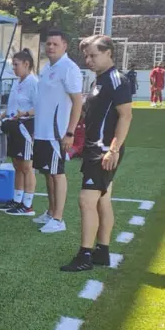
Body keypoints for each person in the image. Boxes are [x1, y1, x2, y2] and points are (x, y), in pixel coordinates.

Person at [61, 35, 133, 272]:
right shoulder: (99, 81)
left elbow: (125, 116)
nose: (88, 60)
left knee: (86, 201)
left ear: (108, 53)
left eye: (93, 55)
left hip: (103, 151)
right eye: (86, 56)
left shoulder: (117, 80)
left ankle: (84, 256)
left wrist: (112, 149)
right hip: (94, 149)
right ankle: (102, 251)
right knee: (103, 200)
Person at [32, 30, 85, 234]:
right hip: (42, 132)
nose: (50, 47)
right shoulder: (47, 68)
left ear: (65, 46)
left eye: (55, 44)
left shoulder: (69, 68)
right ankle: (50, 211)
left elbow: (77, 102)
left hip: (57, 133)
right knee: (48, 173)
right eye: (48, 44)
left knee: (57, 173)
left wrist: (70, 133)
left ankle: (58, 218)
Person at [0, 49, 39, 217]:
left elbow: (39, 107)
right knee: (17, 165)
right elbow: (11, 107)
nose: (14, 68)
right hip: (13, 126)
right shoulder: (17, 82)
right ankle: (17, 199)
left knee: (27, 167)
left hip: (25, 127)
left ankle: (27, 204)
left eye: (16, 65)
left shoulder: (34, 82)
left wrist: (25, 114)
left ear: (27, 64)